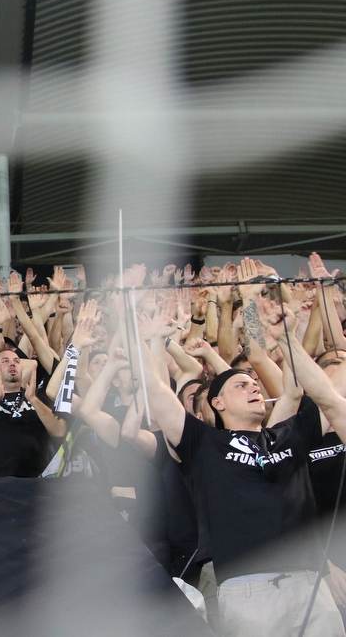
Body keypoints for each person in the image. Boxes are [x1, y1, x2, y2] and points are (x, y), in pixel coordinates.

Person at [140, 264, 346, 635]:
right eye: (240, 385)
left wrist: (262, 315)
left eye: (254, 383)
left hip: (309, 582)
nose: (254, 385)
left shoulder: (285, 433)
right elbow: (159, 396)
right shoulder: (202, 443)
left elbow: (301, 387)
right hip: (248, 588)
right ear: (216, 405)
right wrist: (153, 341)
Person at [0, 348, 67, 478]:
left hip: (34, 479)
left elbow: (59, 431)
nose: (12, 364)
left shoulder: (38, 399)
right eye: (5, 361)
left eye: (16, 361)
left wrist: (33, 400)